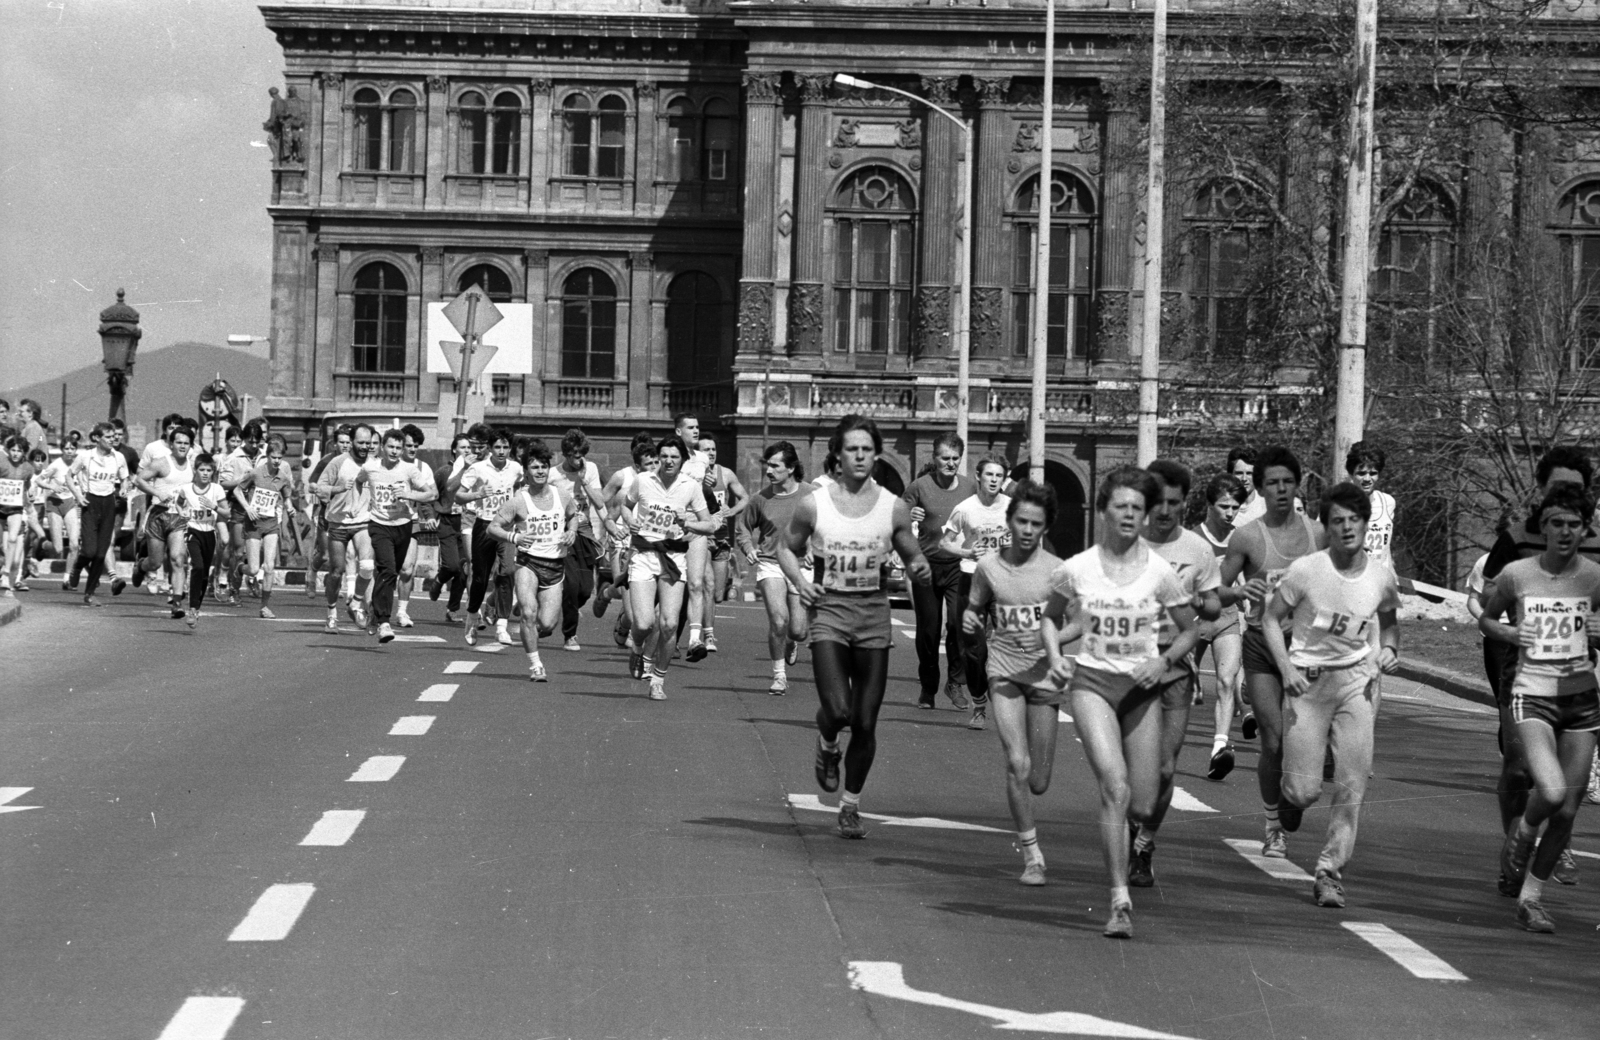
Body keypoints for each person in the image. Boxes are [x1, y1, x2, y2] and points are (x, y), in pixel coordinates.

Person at [1042, 467, 1197, 938]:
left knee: (1144, 802)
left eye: (1137, 508)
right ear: (1104, 512)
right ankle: (1118, 899)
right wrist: (1055, 658)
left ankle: (1129, 839)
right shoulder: (1077, 568)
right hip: (1092, 684)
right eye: (1121, 507)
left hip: (1141, 689)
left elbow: (1190, 628)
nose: (1130, 515)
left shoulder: (1160, 573)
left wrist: (1165, 658)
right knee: (1114, 785)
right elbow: (1050, 620)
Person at [778, 415, 932, 839]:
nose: (860, 456)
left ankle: (850, 806)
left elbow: (912, 553)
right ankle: (827, 743)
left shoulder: (893, 506)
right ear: (838, 456)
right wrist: (798, 581)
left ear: (876, 454)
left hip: (873, 618)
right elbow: (786, 548)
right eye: (852, 449)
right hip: (829, 614)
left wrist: (918, 567)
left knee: (865, 722)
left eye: (867, 449)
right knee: (840, 710)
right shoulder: (816, 503)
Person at [1263, 481, 1402, 909]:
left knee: (1351, 783)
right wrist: (1285, 668)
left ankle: (1329, 871)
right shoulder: (1307, 570)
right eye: (1337, 521)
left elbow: (1390, 621)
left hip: (1356, 683)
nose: (1346, 528)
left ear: (1365, 524)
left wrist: (1391, 649)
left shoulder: (1381, 576)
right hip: (1308, 684)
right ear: (1327, 527)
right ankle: (1290, 801)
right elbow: (1271, 618)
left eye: (1354, 520)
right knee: (1304, 792)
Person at [1478, 481, 1600, 933]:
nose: (1565, 532)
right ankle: (1524, 832)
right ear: (1542, 528)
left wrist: (1594, 630)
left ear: (1584, 529)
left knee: (1568, 811)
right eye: (1556, 524)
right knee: (1549, 792)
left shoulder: (1593, 577)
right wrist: (1511, 634)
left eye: (1574, 525)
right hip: (1532, 695)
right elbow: (1487, 617)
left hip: (1582, 701)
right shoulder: (1518, 574)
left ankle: (1532, 898)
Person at [1220, 445, 1325, 859]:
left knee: (1311, 742)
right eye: (1272, 483)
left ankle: (1295, 795)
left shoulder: (1318, 533)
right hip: (1263, 648)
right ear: (1259, 490)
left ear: (1297, 486)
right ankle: (1272, 827)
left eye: (1287, 482)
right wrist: (1239, 590)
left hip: (1310, 650)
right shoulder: (1247, 536)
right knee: (1274, 742)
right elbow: (1216, 590)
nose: (1280, 490)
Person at [961, 480, 1064, 884]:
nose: (1026, 530)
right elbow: (974, 608)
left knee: (1039, 780)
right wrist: (971, 621)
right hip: (1003, 670)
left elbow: (1073, 621)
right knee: (1016, 763)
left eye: (1035, 524)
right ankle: (1032, 855)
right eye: (1020, 521)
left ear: (1045, 527)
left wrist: (1054, 640)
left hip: (1043, 674)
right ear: (1009, 521)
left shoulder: (1058, 571)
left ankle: (1032, 839)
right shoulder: (988, 567)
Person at [1128, 460, 1223, 888]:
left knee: (1165, 768)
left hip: (1177, 666)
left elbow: (1212, 603)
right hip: (1129, 663)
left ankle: (1145, 843)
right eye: (1158, 502)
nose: (1165, 511)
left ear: (1185, 504)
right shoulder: (1126, 541)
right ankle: (1131, 829)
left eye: (1174, 503)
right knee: (1135, 766)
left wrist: (1208, 602)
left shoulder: (1198, 551)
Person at [616, 434, 719, 700]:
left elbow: (709, 525)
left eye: (674, 456)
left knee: (670, 624)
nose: (668, 461)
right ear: (658, 458)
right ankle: (637, 648)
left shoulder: (690, 487)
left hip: (673, 559)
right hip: (644, 554)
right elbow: (625, 507)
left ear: (683, 460)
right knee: (644, 623)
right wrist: (630, 520)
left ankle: (658, 679)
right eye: (664, 456)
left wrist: (688, 524)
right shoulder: (643, 481)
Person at [489, 439, 579, 681]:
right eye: (535, 467)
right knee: (529, 613)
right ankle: (536, 665)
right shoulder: (519, 500)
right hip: (528, 563)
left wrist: (571, 531)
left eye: (543, 467)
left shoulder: (561, 495)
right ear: (526, 471)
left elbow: (573, 516)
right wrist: (514, 536)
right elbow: (493, 527)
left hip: (555, 565)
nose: (540, 471)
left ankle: (530, 629)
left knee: (548, 624)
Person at [903, 433, 979, 710]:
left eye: (955, 458)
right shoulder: (919, 486)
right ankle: (928, 687)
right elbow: (897, 517)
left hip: (959, 566)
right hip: (927, 566)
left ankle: (955, 683)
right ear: (934, 459)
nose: (950, 463)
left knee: (958, 626)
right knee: (928, 631)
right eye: (944, 458)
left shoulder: (971, 487)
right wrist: (909, 515)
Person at [940, 453, 1014, 729]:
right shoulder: (965, 508)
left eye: (999, 475)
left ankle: (1002, 689)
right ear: (979, 477)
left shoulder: (1013, 507)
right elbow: (944, 543)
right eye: (989, 475)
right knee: (974, 650)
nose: (994, 480)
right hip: (972, 580)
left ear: (1003, 479)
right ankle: (979, 704)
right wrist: (967, 550)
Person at [738, 441, 815, 695]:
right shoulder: (760, 499)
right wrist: (748, 548)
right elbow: (744, 528)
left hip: (801, 565)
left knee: (798, 630)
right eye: (767, 465)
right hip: (770, 564)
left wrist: (815, 549)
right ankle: (779, 675)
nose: (769, 470)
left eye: (775, 465)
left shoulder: (810, 494)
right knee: (778, 620)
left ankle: (791, 643)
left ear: (791, 468)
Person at [356, 428, 436, 644]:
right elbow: (359, 481)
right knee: (387, 569)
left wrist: (409, 494)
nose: (394, 451)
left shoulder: (409, 470)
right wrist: (361, 506)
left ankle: (374, 611)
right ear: (382, 447)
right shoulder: (370, 467)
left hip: (403, 525)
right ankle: (384, 622)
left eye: (398, 448)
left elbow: (432, 493)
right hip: (379, 524)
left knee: (392, 574)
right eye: (390, 447)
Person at [1195, 474, 1248, 781]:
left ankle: (1219, 748)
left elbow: (1241, 575)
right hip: (1193, 619)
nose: (1230, 513)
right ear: (1209, 505)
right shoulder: (1192, 538)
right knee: (1182, 689)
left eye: (1235, 507)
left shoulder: (1239, 538)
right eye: (1224, 506)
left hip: (1226, 616)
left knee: (1227, 681)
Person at [452, 428, 522, 646]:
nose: (501, 451)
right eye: (497, 447)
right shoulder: (477, 469)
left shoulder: (516, 469)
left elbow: (519, 489)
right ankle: (472, 617)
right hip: (484, 526)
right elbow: (458, 496)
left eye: (505, 447)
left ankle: (501, 625)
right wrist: (477, 494)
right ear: (490, 449)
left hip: (506, 525)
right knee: (480, 578)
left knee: (508, 572)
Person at [594, 434, 658, 647]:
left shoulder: (663, 488)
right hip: (622, 545)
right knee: (628, 601)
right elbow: (605, 506)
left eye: (655, 462)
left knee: (639, 605)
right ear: (637, 466)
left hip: (647, 549)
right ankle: (607, 593)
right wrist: (611, 530)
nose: (654, 467)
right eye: (649, 464)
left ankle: (626, 627)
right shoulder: (624, 482)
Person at [550, 428, 608, 652]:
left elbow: (600, 502)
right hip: (562, 532)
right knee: (572, 585)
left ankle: (566, 606)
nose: (579, 459)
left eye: (582, 454)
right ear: (566, 454)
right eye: (574, 455)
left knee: (585, 590)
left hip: (584, 531)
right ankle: (570, 635)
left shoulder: (590, 469)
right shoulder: (554, 475)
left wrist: (584, 482)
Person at [316, 423, 377, 633]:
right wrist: (338, 488)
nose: (364, 447)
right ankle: (331, 613)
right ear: (351, 442)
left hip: (363, 522)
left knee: (368, 566)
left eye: (368, 443)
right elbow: (319, 487)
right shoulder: (338, 462)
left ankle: (355, 603)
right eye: (360, 442)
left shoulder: (374, 463)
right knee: (336, 571)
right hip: (338, 522)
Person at [693, 434, 750, 652]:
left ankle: (699, 620)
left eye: (713, 449)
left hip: (722, 537)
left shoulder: (725, 474)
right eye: (706, 449)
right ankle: (707, 636)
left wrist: (732, 510)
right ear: (699, 453)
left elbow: (745, 497)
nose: (712, 453)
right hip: (703, 536)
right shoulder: (693, 474)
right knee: (705, 584)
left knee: (717, 593)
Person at [132, 426, 197, 615]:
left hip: (179, 517)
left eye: (186, 443)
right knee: (156, 562)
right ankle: (141, 566)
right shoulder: (161, 463)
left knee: (178, 559)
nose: (182, 446)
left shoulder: (193, 465)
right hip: (158, 516)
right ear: (171, 444)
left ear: (191, 445)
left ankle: (176, 602)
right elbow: (138, 480)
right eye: (179, 442)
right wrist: (157, 492)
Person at [66, 422, 130, 606]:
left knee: (101, 554)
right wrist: (78, 495)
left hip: (109, 503)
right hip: (90, 503)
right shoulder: (86, 457)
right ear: (97, 438)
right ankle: (77, 567)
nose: (113, 439)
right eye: (108, 437)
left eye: (114, 436)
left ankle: (89, 593)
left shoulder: (118, 457)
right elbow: (69, 476)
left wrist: (124, 488)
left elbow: (125, 478)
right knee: (89, 550)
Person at [233, 433, 294, 619]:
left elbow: (287, 497)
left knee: (269, 567)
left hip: (271, 524)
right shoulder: (255, 473)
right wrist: (247, 507)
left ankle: (265, 606)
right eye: (273, 457)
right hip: (253, 524)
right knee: (253, 569)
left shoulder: (283, 478)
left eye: (279, 458)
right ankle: (239, 569)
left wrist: (290, 508)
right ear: (267, 456)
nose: (276, 461)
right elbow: (237, 490)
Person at [174, 453, 230, 629]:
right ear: (195, 470)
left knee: (204, 571)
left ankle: (196, 609)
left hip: (209, 533)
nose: (205, 473)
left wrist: (213, 506)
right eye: (201, 470)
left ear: (213, 472)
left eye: (209, 470)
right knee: (197, 566)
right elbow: (179, 502)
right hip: (192, 531)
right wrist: (181, 511)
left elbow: (227, 513)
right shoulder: (187, 488)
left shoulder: (217, 489)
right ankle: (191, 608)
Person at [392, 424, 438, 629]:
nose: (411, 449)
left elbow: (432, 495)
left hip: (410, 522)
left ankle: (402, 611)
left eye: (415, 446)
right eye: (408, 445)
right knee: (383, 569)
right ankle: (375, 607)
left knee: (407, 569)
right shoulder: (390, 463)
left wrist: (428, 514)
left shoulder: (423, 468)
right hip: (386, 521)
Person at [42, 433, 83, 588]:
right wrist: (51, 486)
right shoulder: (56, 465)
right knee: (58, 548)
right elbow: (40, 480)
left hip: (70, 503)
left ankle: (67, 578)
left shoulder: (78, 465)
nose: (69, 451)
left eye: (72, 448)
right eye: (66, 448)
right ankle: (42, 545)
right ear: (62, 450)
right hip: (54, 504)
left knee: (74, 545)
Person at [1346, 442, 1395, 570]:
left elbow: (1386, 547)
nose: (1367, 479)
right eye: (1361, 473)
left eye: (1373, 473)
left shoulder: (1388, 502)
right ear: (1351, 474)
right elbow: (1319, 545)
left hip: (1380, 583)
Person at [0, 436, 37, 593]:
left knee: (13, 539)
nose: (15, 454)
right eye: (13, 450)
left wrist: (30, 497)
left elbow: (27, 485)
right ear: (8, 451)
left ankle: (6, 575)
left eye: (19, 451)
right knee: (2, 545)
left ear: (24, 453)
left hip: (15, 507)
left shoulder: (28, 468)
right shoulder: (2, 462)